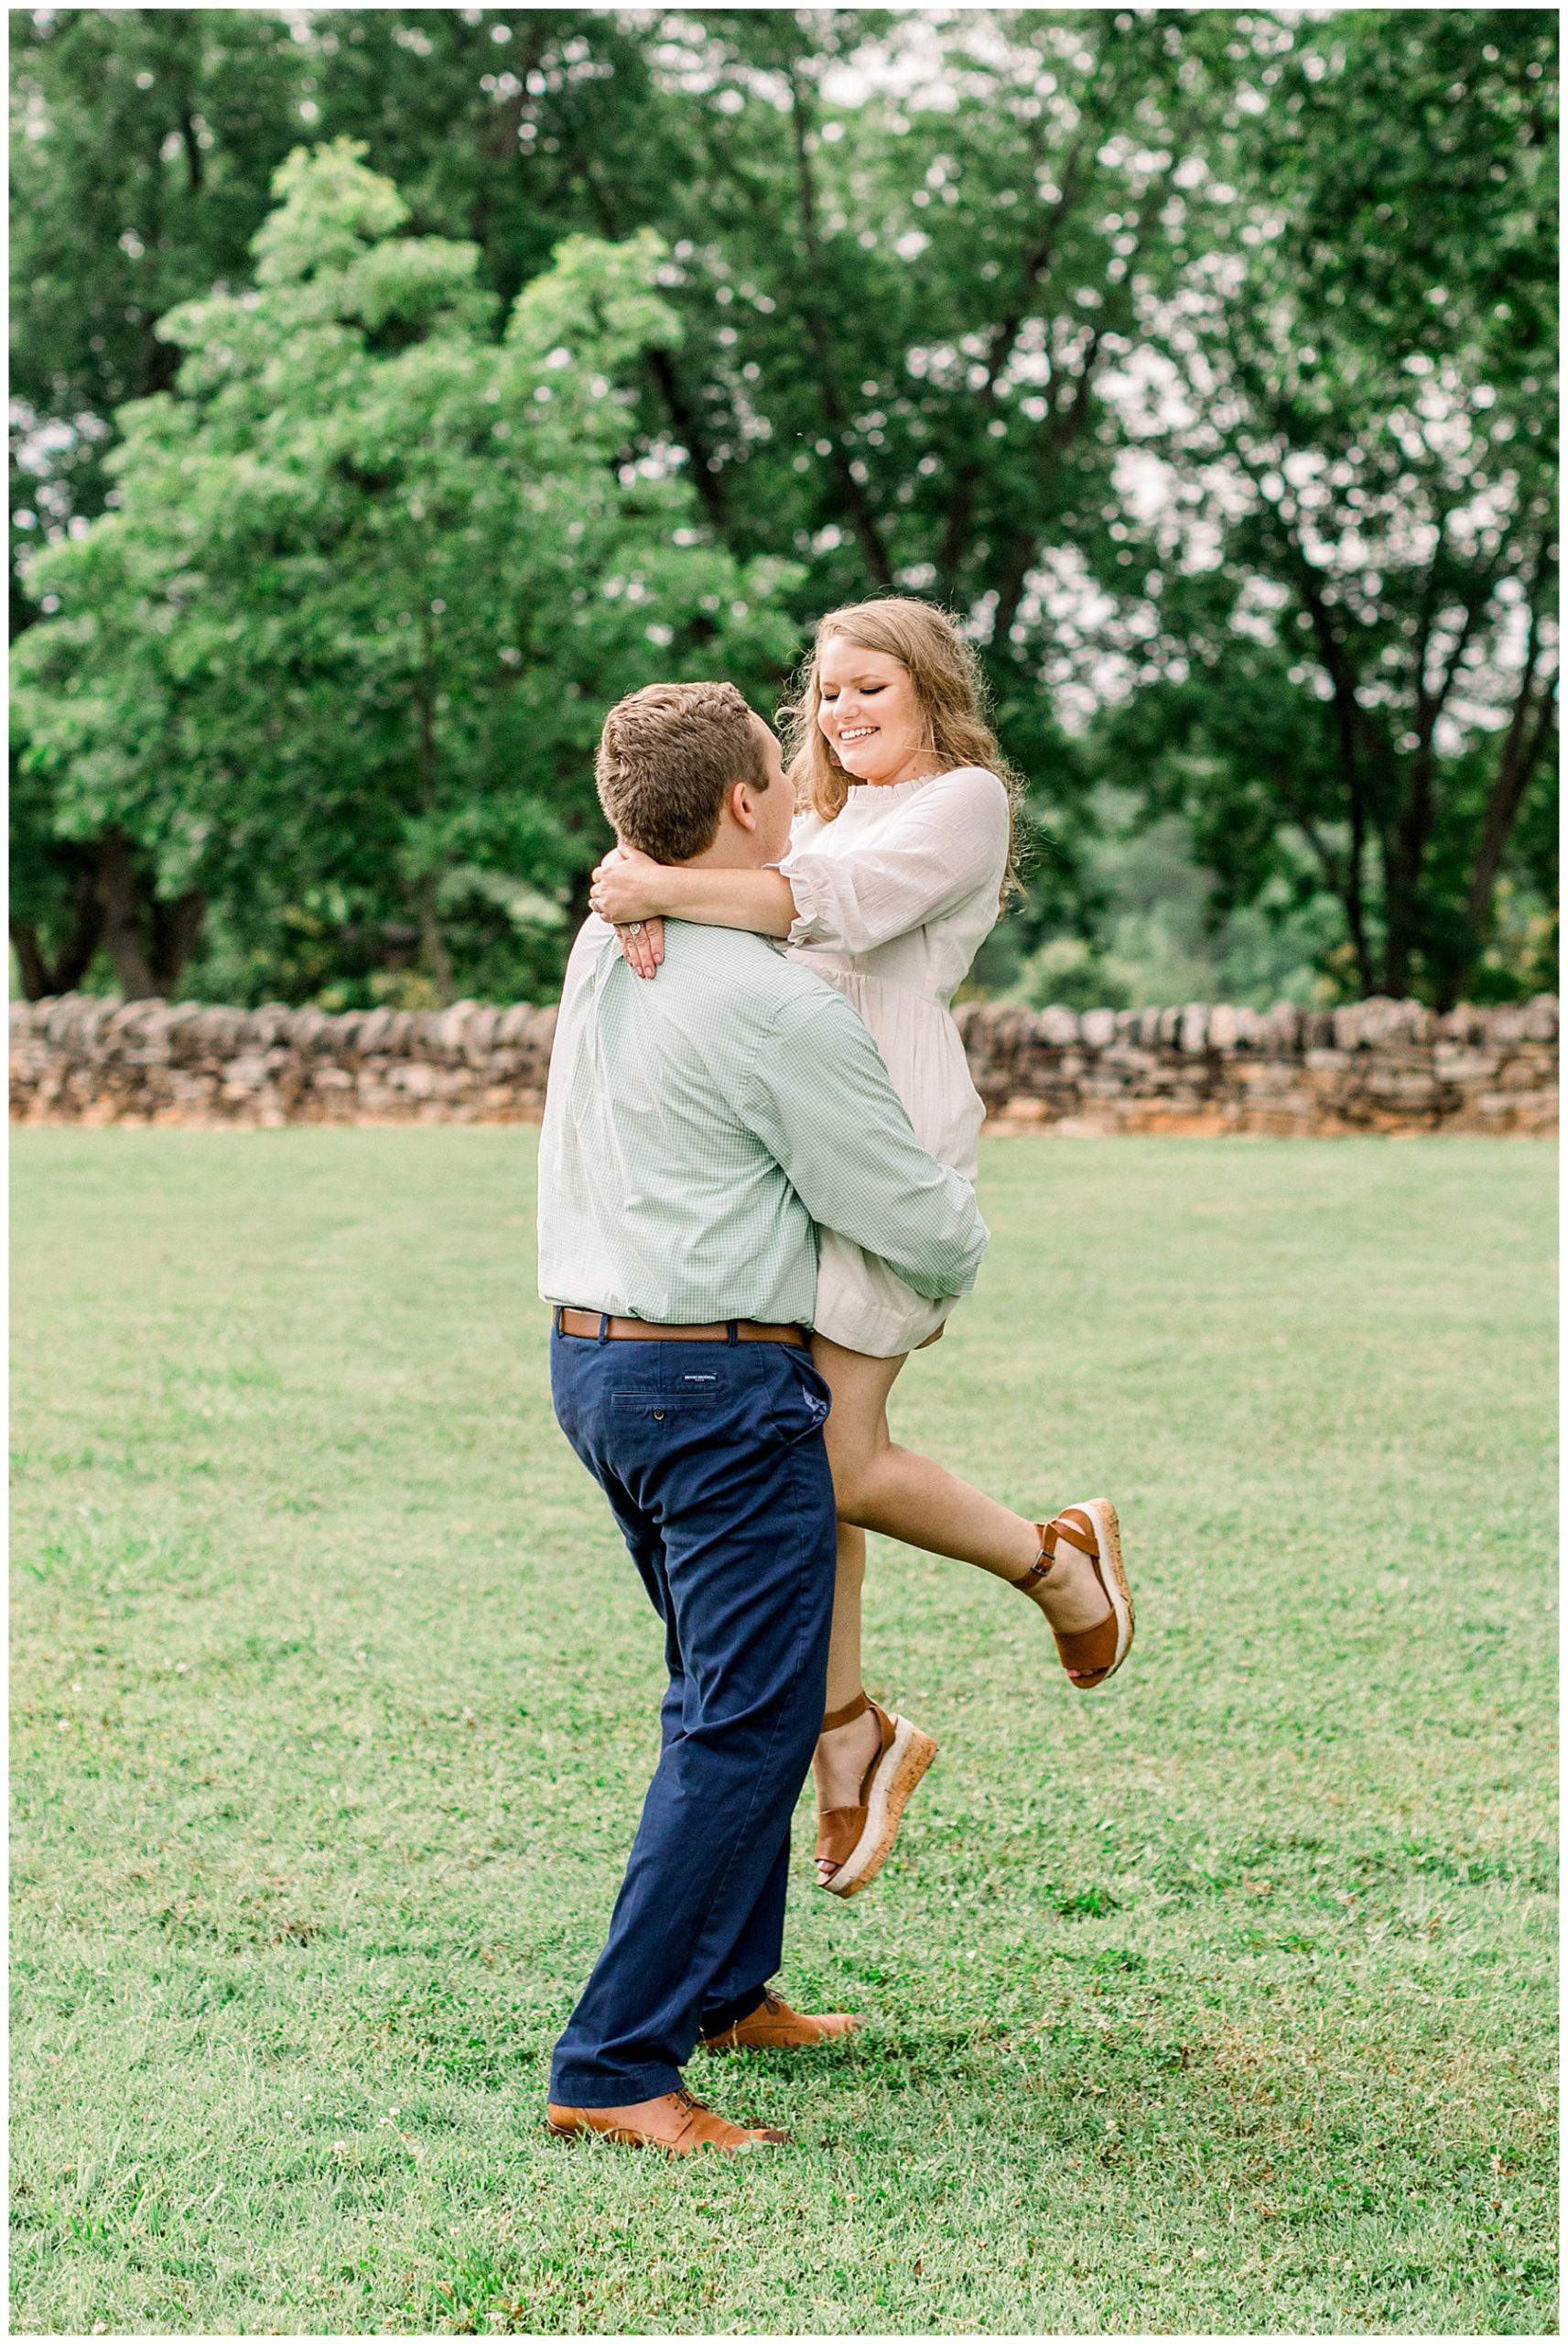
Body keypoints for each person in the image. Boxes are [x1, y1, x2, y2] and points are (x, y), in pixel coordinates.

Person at [589, 598, 1135, 1900]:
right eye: (825, 692)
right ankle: (850, 1735)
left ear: (931, 688)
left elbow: (825, 911)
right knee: (797, 1454)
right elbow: (755, 889)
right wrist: (645, 902)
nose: (841, 711)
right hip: (790, 1155)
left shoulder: (958, 803)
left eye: (868, 685)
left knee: (834, 1452)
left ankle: (1053, 1563)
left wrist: (659, 885)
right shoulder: (814, 814)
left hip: (889, 1150)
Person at [537, 678, 990, 2156]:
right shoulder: (775, 1002)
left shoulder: (606, 949)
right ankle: (613, 2067)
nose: (797, 788)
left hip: (599, 1367)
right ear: (740, 805)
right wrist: (957, 1240)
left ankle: (730, 1988)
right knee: (738, 1722)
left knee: (731, 1689)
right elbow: (909, 1216)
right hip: (714, 1384)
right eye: (776, 775)